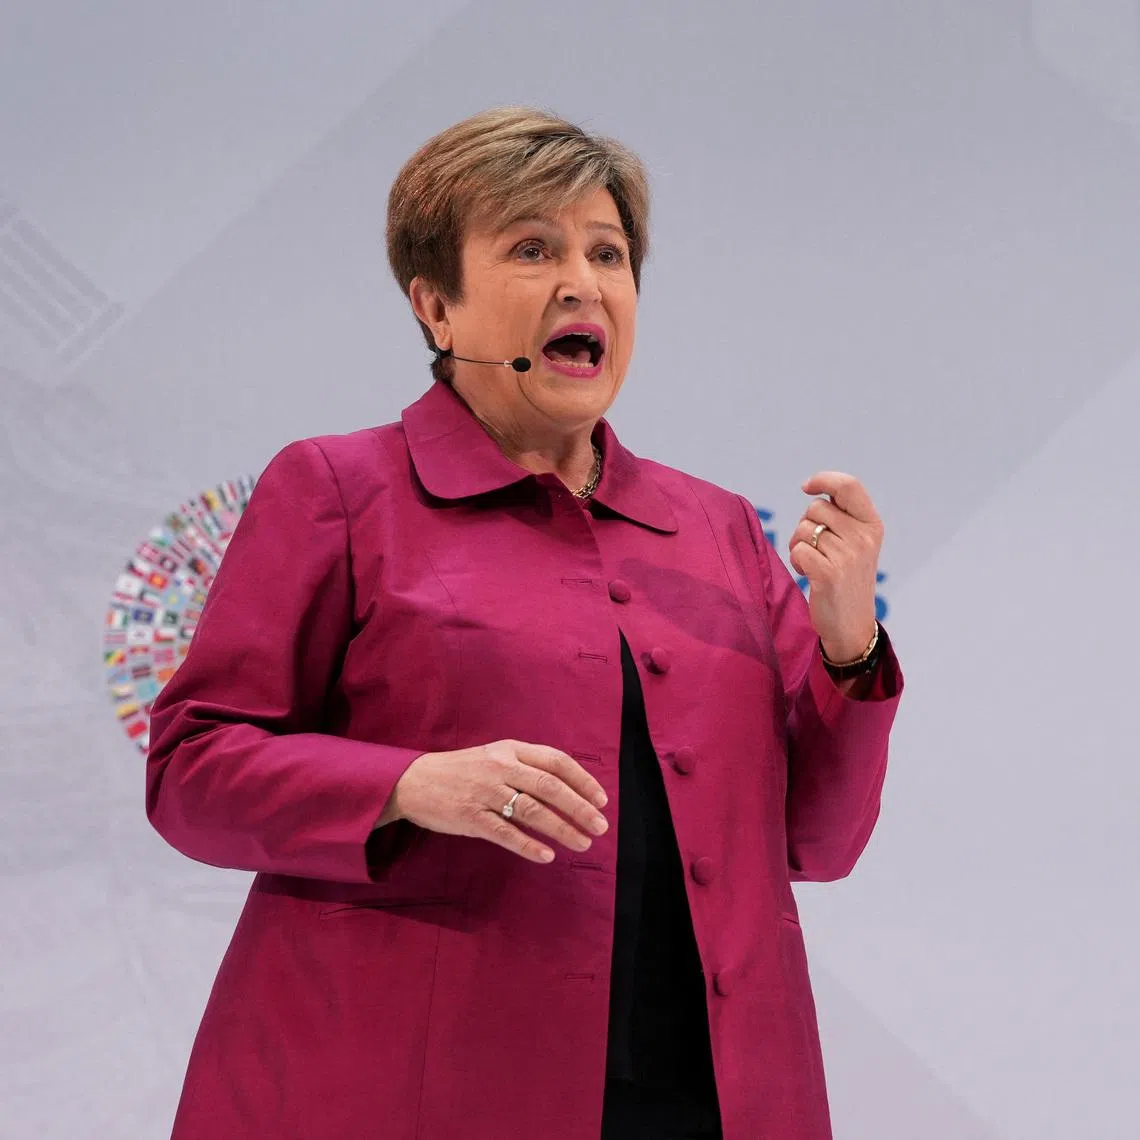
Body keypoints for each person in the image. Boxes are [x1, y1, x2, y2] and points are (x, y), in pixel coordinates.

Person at [146, 106, 903, 1140]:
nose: (582, 282)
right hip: (415, 1089)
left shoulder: (717, 529)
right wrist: (411, 785)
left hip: (709, 1096)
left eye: (608, 253)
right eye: (531, 249)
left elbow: (815, 842)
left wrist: (849, 643)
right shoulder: (339, 489)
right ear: (436, 306)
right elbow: (191, 770)